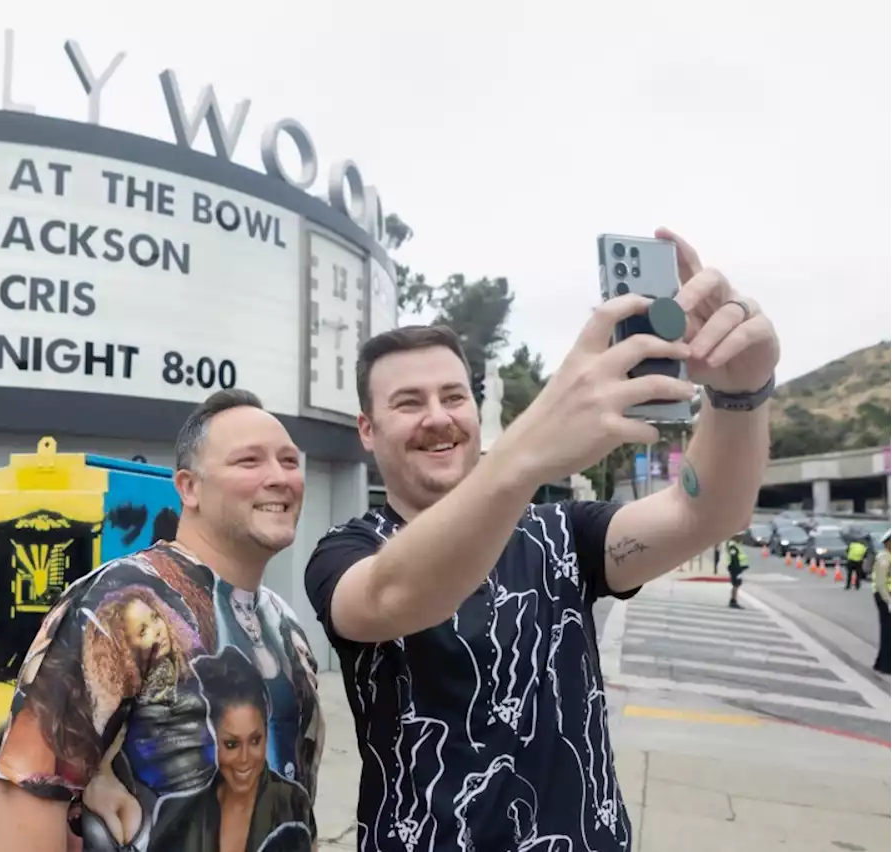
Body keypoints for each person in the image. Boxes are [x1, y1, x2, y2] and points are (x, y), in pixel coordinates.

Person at [304, 229, 778, 852]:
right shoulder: (347, 552)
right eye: (408, 403)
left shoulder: (561, 534)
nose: (439, 417)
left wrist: (740, 393)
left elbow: (705, 511)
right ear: (367, 430)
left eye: (453, 396)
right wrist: (531, 448)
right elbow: (393, 596)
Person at [0, 389, 323, 852]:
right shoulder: (118, 607)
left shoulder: (284, 624)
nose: (280, 478)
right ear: (189, 487)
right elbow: (28, 794)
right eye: (249, 461)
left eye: (289, 461)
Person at [873, 530, 892, 677]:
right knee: (888, 631)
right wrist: (888, 601)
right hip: (884, 596)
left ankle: (881, 663)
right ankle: (885, 665)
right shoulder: (884, 558)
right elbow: (880, 584)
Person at [726, 538, 750, 608]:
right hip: (735, 569)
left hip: (738, 568)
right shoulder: (732, 546)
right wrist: (739, 568)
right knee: (736, 584)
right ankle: (733, 601)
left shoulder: (736, 545)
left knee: (737, 584)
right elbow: (734, 559)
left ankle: (733, 600)